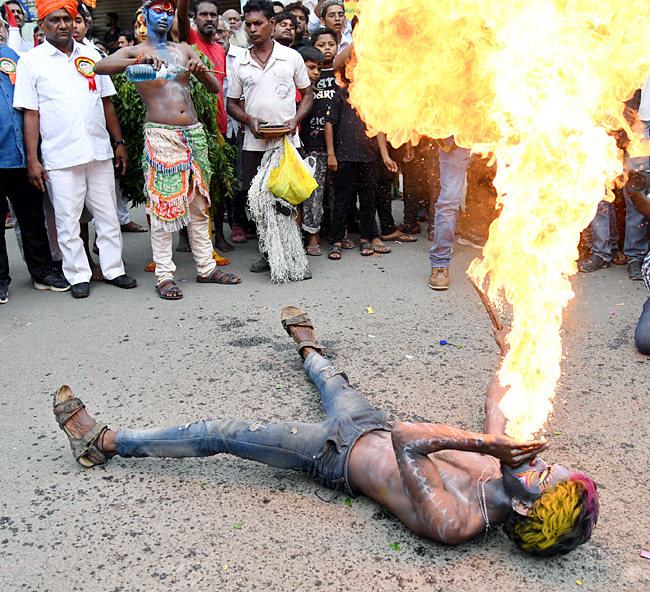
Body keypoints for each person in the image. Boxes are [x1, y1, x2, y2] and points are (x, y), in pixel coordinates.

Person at [53, 305, 599, 556]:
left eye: (546, 476)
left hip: (334, 457)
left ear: (528, 508)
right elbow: (497, 412)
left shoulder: (455, 522)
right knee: (331, 377)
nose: (541, 463)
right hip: (372, 425)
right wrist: (514, 355)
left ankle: (102, 441)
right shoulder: (500, 468)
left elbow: (411, 438)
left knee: (222, 433)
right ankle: (305, 344)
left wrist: (488, 444)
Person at [94, 0, 240, 299]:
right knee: (163, 209)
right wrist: (137, 63)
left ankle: (206, 267)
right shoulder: (135, 51)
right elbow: (100, 66)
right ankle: (164, 275)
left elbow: (213, 87)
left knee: (199, 205)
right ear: (145, 16)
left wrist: (200, 70)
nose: (163, 17)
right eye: (157, 11)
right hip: (161, 135)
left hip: (194, 135)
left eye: (168, 12)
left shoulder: (184, 50)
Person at [14, 0, 137, 299]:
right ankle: (78, 274)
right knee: (67, 220)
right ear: (41, 25)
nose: (64, 25)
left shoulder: (92, 54)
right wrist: (33, 159)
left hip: (98, 150)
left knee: (107, 215)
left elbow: (106, 102)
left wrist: (118, 143)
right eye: (55, 19)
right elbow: (31, 114)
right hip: (61, 155)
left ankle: (113, 269)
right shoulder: (31, 61)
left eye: (68, 19)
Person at [226, 0, 313, 273]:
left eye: (258, 23)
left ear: (272, 24)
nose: (252, 29)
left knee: (289, 198)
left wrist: (295, 121)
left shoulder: (291, 57)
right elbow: (231, 103)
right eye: (248, 24)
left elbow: (308, 94)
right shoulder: (240, 60)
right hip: (254, 142)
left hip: (287, 140)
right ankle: (268, 253)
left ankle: (295, 255)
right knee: (260, 199)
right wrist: (247, 119)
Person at [0, 21, 70, 304]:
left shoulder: (14, 57)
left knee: (32, 218)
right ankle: (0, 279)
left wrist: (33, 155)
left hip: (19, 154)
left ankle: (41, 271)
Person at [177, 0, 232, 253]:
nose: (208, 18)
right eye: (203, 14)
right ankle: (186, 237)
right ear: (194, 18)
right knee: (187, 184)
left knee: (218, 183)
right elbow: (179, 15)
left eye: (213, 14)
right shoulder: (189, 42)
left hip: (218, 126)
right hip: (193, 125)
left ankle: (218, 235)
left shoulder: (220, 50)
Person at [324, 50, 390, 260]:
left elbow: (378, 127)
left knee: (369, 200)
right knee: (342, 200)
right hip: (344, 157)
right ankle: (336, 240)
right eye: (352, 68)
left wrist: (385, 156)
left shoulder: (372, 97)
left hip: (369, 157)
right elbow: (329, 124)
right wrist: (331, 154)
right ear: (346, 72)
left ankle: (368, 236)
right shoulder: (340, 93)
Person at [297, 45, 325, 256]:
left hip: (315, 149)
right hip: (293, 146)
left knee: (314, 194)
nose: (315, 73)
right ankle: (295, 236)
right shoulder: (291, 91)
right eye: (311, 67)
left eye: (319, 69)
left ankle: (312, 235)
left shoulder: (316, 93)